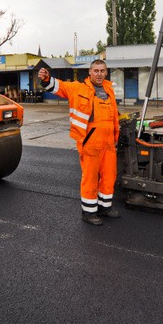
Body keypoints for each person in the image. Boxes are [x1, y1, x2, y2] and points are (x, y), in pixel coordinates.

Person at [38, 60, 120, 226]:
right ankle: (89, 212)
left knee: (109, 175)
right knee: (90, 177)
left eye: (102, 71)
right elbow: (58, 87)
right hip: (90, 140)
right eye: (96, 71)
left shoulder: (109, 89)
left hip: (109, 141)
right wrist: (46, 79)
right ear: (90, 72)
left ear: (106, 72)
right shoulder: (78, 88)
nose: (99, 74)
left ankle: (105, 207)